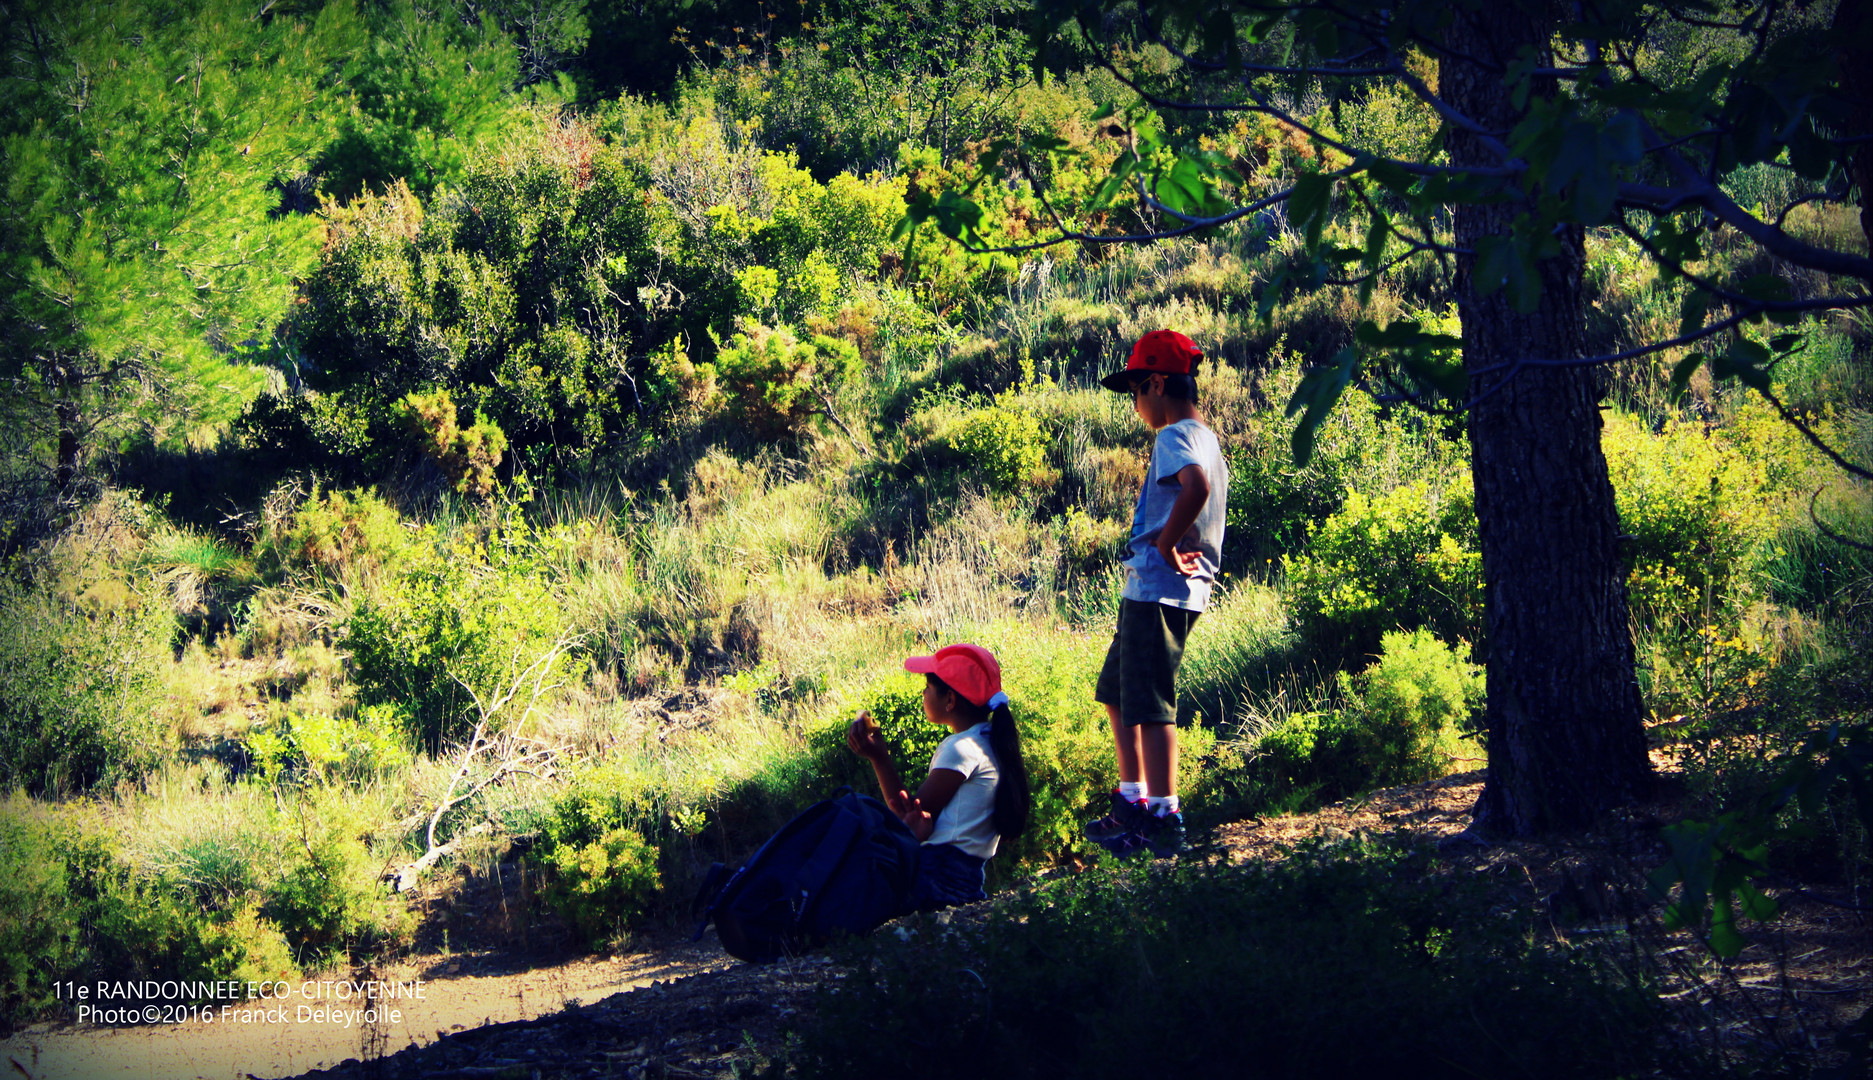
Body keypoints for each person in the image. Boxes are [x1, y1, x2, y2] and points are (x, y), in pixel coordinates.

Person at [1085, 329, 1229, 858]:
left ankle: (1164, 815)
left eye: (1136, 392)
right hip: (1155, 588)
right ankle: (1133, 800)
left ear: (1157, 383)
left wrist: (1167, 545)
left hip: (1160, 589)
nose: (1136, 405)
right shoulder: (1207, 438)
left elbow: (1197, 489)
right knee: (1117, 693)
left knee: (1149, 703)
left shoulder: (1175, 437)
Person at [846, 643, 1030, 911]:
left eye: (928, 687)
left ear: (950, 700)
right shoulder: (992, 741)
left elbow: (905, 813)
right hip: (969, 877)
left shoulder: (961, 748)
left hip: (938, 873)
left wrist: (879, 758)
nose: (923, 693)